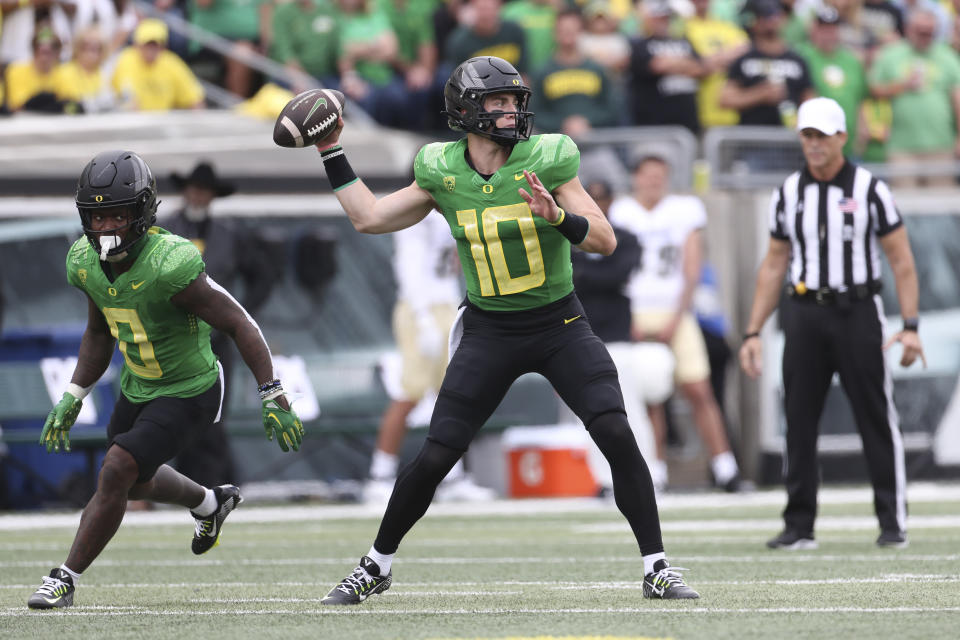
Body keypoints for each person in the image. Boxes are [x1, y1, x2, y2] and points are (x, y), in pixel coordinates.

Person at [310, 55, 698, 603]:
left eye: (515, 101)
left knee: (614, 429)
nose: (513, 111)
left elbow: (605, 240)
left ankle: (657, 567)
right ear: (467, 111)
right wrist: (332, 151)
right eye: (499, 102)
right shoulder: (440, 169)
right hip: (490, 329)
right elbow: (368, 217)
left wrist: (558, 217)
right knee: (438, 452)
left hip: (559, 320)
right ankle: (376, 564)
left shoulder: (549, 158)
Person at [26, 150, 304, 610]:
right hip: (138, 385)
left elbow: (240, 323)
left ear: (141, 214)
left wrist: (271, 392)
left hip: (190, 388)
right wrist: (74, 394)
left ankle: (64, 578)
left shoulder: (171, 261)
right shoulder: (82, 260)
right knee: (133, 482)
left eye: (117, 214)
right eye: (96, 217)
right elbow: (98, 331)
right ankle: (210, 504)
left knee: (115, 469)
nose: (106, 227)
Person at [739, 97, 925, 550]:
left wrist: (911, 324)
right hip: (804, 313)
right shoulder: (788, 192)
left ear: (842, 136)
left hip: (858, 311)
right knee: (798, 419)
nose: (815, 144)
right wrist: (752, 331)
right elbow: (773, 263)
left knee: (875, 416)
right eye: (807, 135)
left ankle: (892, 521)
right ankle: (799, 524)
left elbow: (901, 261)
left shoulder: (870, 188)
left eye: (822, 135)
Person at [609, 155, 743, 492]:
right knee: (650, 393)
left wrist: (678, 314)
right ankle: (655, 471)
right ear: (635, 177)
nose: (654, 182)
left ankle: (725, 467)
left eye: (660, 176)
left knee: (699, 388)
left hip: (676, 311)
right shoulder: (621, 213)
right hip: (635, 312)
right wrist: (625, 317)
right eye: (648, 175)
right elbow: (614, 268)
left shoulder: (684, 209)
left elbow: (692, 268)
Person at [365, 211, 494, 503]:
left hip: (445, 304)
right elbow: (408, 265)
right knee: (409, 393)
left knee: (452, 394)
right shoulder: (417, 214)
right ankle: (380, 475)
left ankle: (453, 477)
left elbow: (455, 264)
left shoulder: (452, 206)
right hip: (418, 307)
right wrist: (422, 317)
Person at [162, 161, 273, 488]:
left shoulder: (231, 235)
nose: (198, 196)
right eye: (194, 189)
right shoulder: (164, 231)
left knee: (213, 416)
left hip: (215, 342)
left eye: (204, 191)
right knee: (175, 414)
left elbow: (262, 276)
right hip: (172, 340)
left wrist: (239, 316)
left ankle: (212, 488)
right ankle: (183, 487)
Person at [111, 19, 205, 111]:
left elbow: (195, 99)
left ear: (163, 47)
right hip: (130, 121)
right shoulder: (124, 59)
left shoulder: (171, 62)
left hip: (161, 123)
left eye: (155, 44)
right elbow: (109, 91)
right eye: (147, 44)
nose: (151, 49)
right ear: (137, 45)